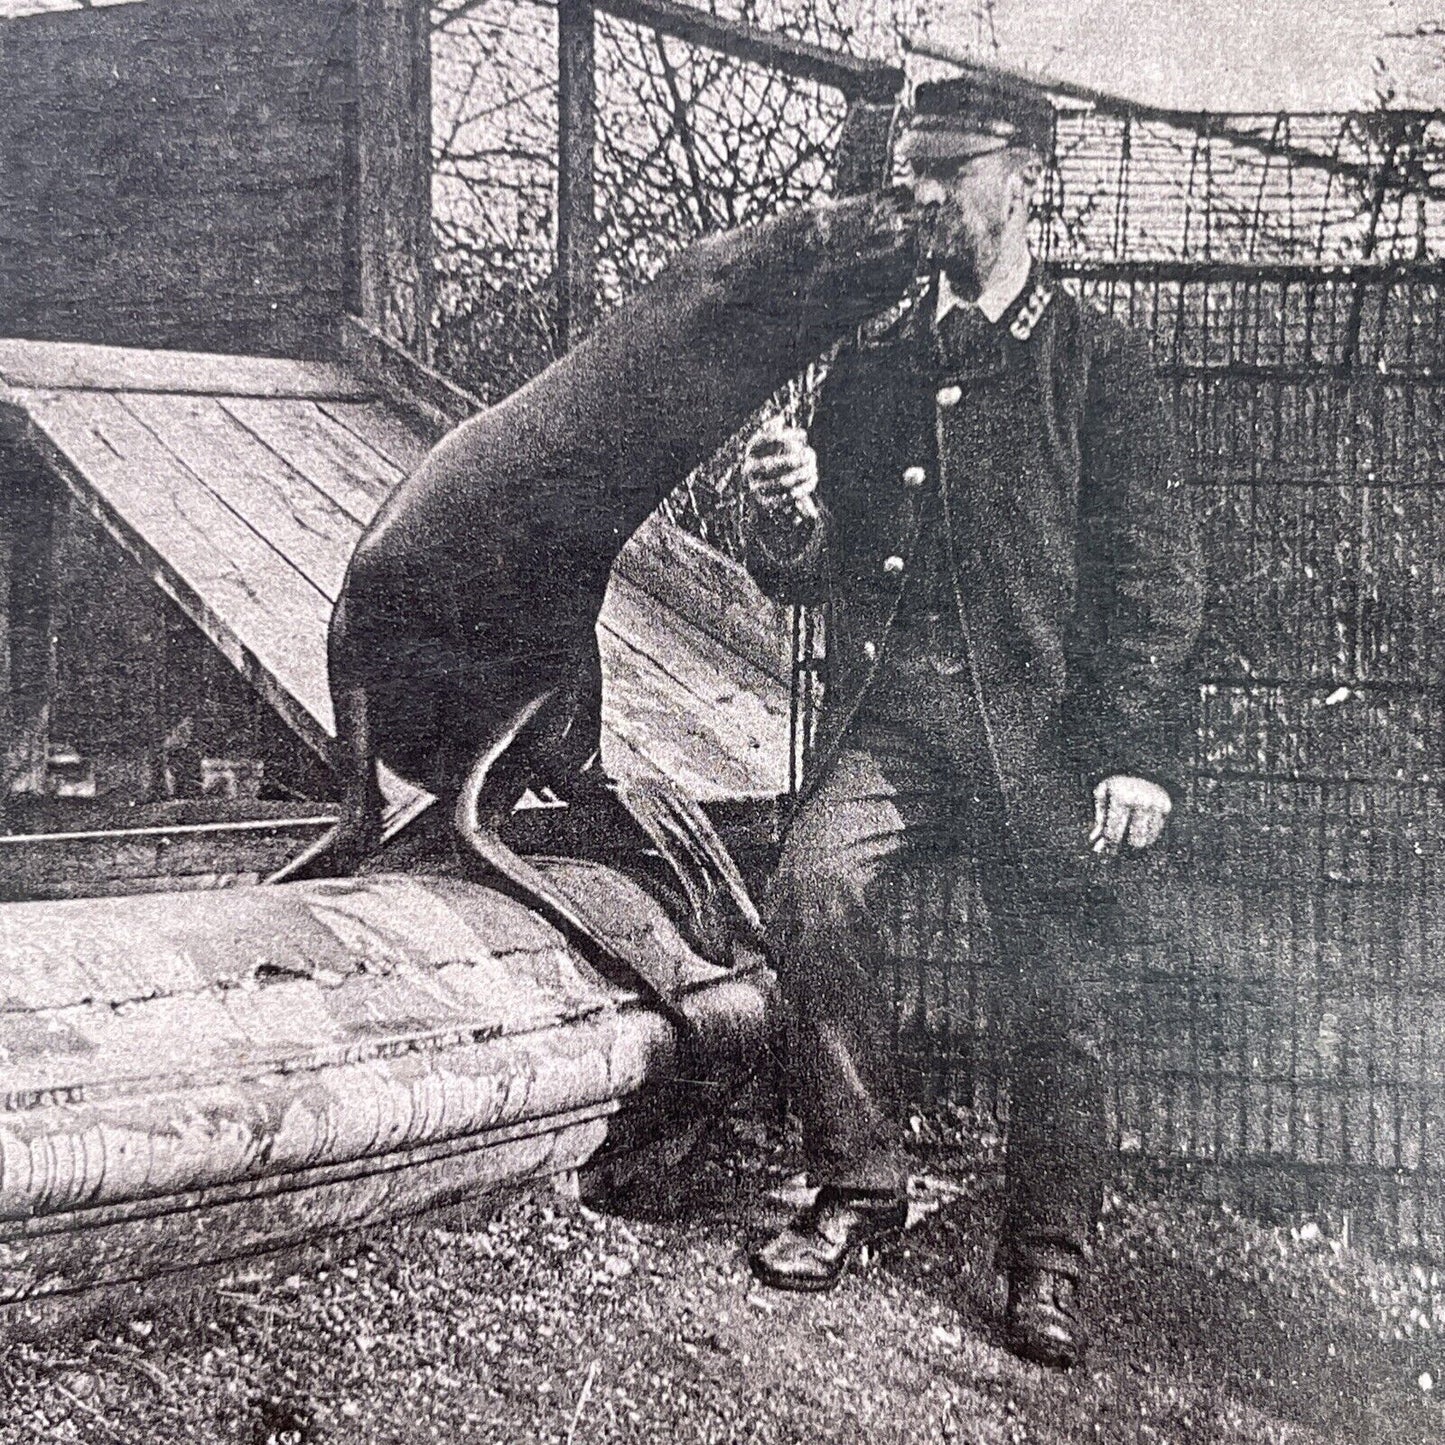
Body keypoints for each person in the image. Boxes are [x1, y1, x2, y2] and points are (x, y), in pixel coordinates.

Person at [740, 73, 1204, 1370]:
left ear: (1027, 179)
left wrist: (1135, 752)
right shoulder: (876, 356)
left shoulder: (1096, 361)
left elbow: (1154, 577)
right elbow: (811, 563)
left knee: (1054, 988)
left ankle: (1044, 1252)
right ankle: (856, 1182)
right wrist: (783, 512)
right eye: (911, 173)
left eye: (950, 170)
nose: (924, 197)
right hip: (895, 721)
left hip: (1044, 732)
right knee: (808, 888)